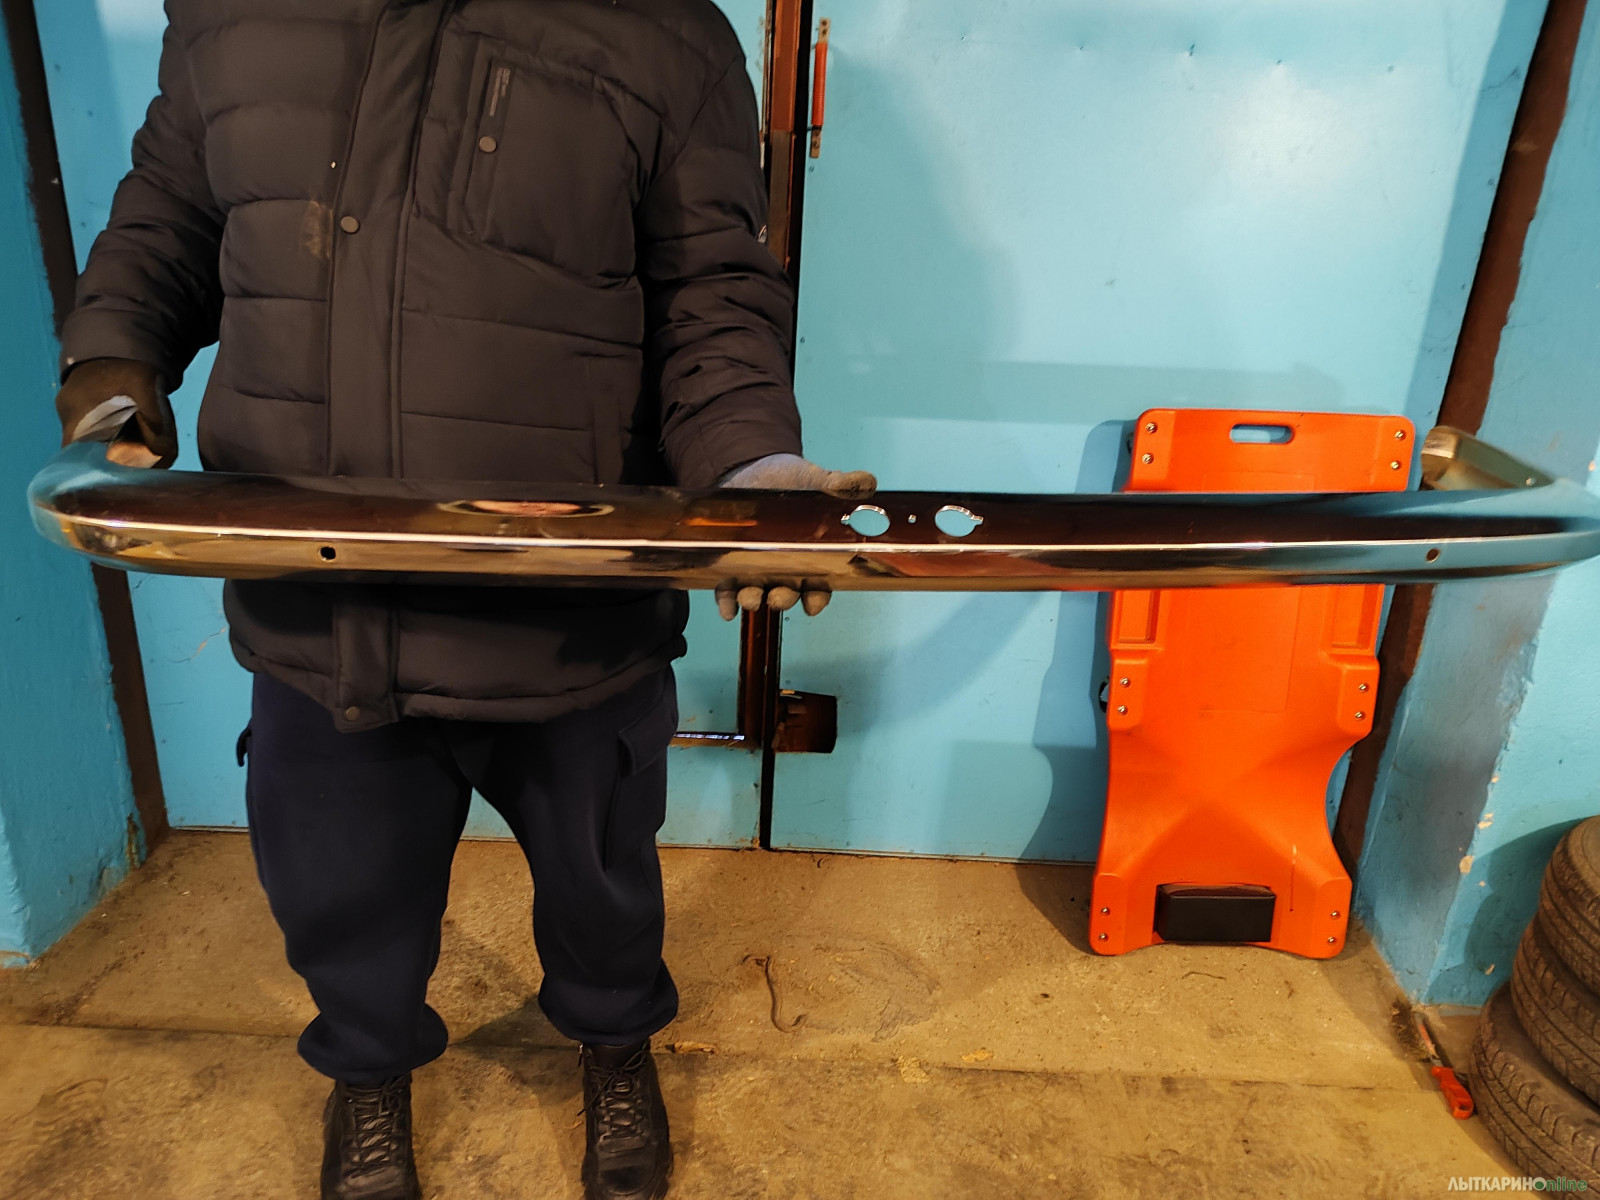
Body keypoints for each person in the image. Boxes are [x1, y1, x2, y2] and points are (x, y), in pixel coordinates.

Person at [53, 3, 872, 1198]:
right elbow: (168, 214)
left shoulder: (664, 32)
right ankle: (368, 1074)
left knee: (602, 883)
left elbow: (710, 290)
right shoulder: (233, 11)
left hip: (565, 612)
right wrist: (114, 364)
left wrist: (753, 468)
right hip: (322, 605)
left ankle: (614, 1044)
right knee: (337, 886)